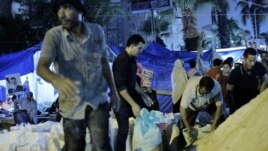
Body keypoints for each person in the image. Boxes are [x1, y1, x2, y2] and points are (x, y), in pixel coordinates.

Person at [37, 0, 120, 150]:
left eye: (67, 7)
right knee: (74, 147)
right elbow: (41, 68)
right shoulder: (54, 36)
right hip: (71, 104)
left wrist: (114, 91)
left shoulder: (97, 31)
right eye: (59, 9)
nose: (61, 13)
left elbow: (104, 64)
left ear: (80, 10)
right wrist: (56, 80)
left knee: (101, 145)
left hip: (97, 99)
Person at [112, 34, 153, 151]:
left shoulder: (132, 60)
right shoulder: (121, 60)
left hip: (129, 98)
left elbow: (133, 83)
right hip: (120, 101)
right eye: (139, 48)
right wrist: (133, 104)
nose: (140, 51)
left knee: (141, 121)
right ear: (132, 45)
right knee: (123, 129)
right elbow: (121, 87)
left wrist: (144, 95)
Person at [180, 76, 223, 141]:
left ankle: (218, 139)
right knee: (186, 126)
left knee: (219, 121)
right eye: (202, 92)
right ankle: (187, 141)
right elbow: (182, 108)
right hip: (193, 105)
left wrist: (214, 125)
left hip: (209, 104)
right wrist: (187, 126)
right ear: (199, 86)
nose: (204, 95)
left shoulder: (216, 88)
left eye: (207, 93)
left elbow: (219, 106)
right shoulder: (190, 88)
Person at [227, 48, 267, 114]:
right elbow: (229, 91)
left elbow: (265, 79)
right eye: (250, 61)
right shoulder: (235, 73)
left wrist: (260, 95)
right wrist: (233, 109)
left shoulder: (258, 66)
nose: (252, 64)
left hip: (254, 105)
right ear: (244, 59)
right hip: (240, 107)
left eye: (254, 61)